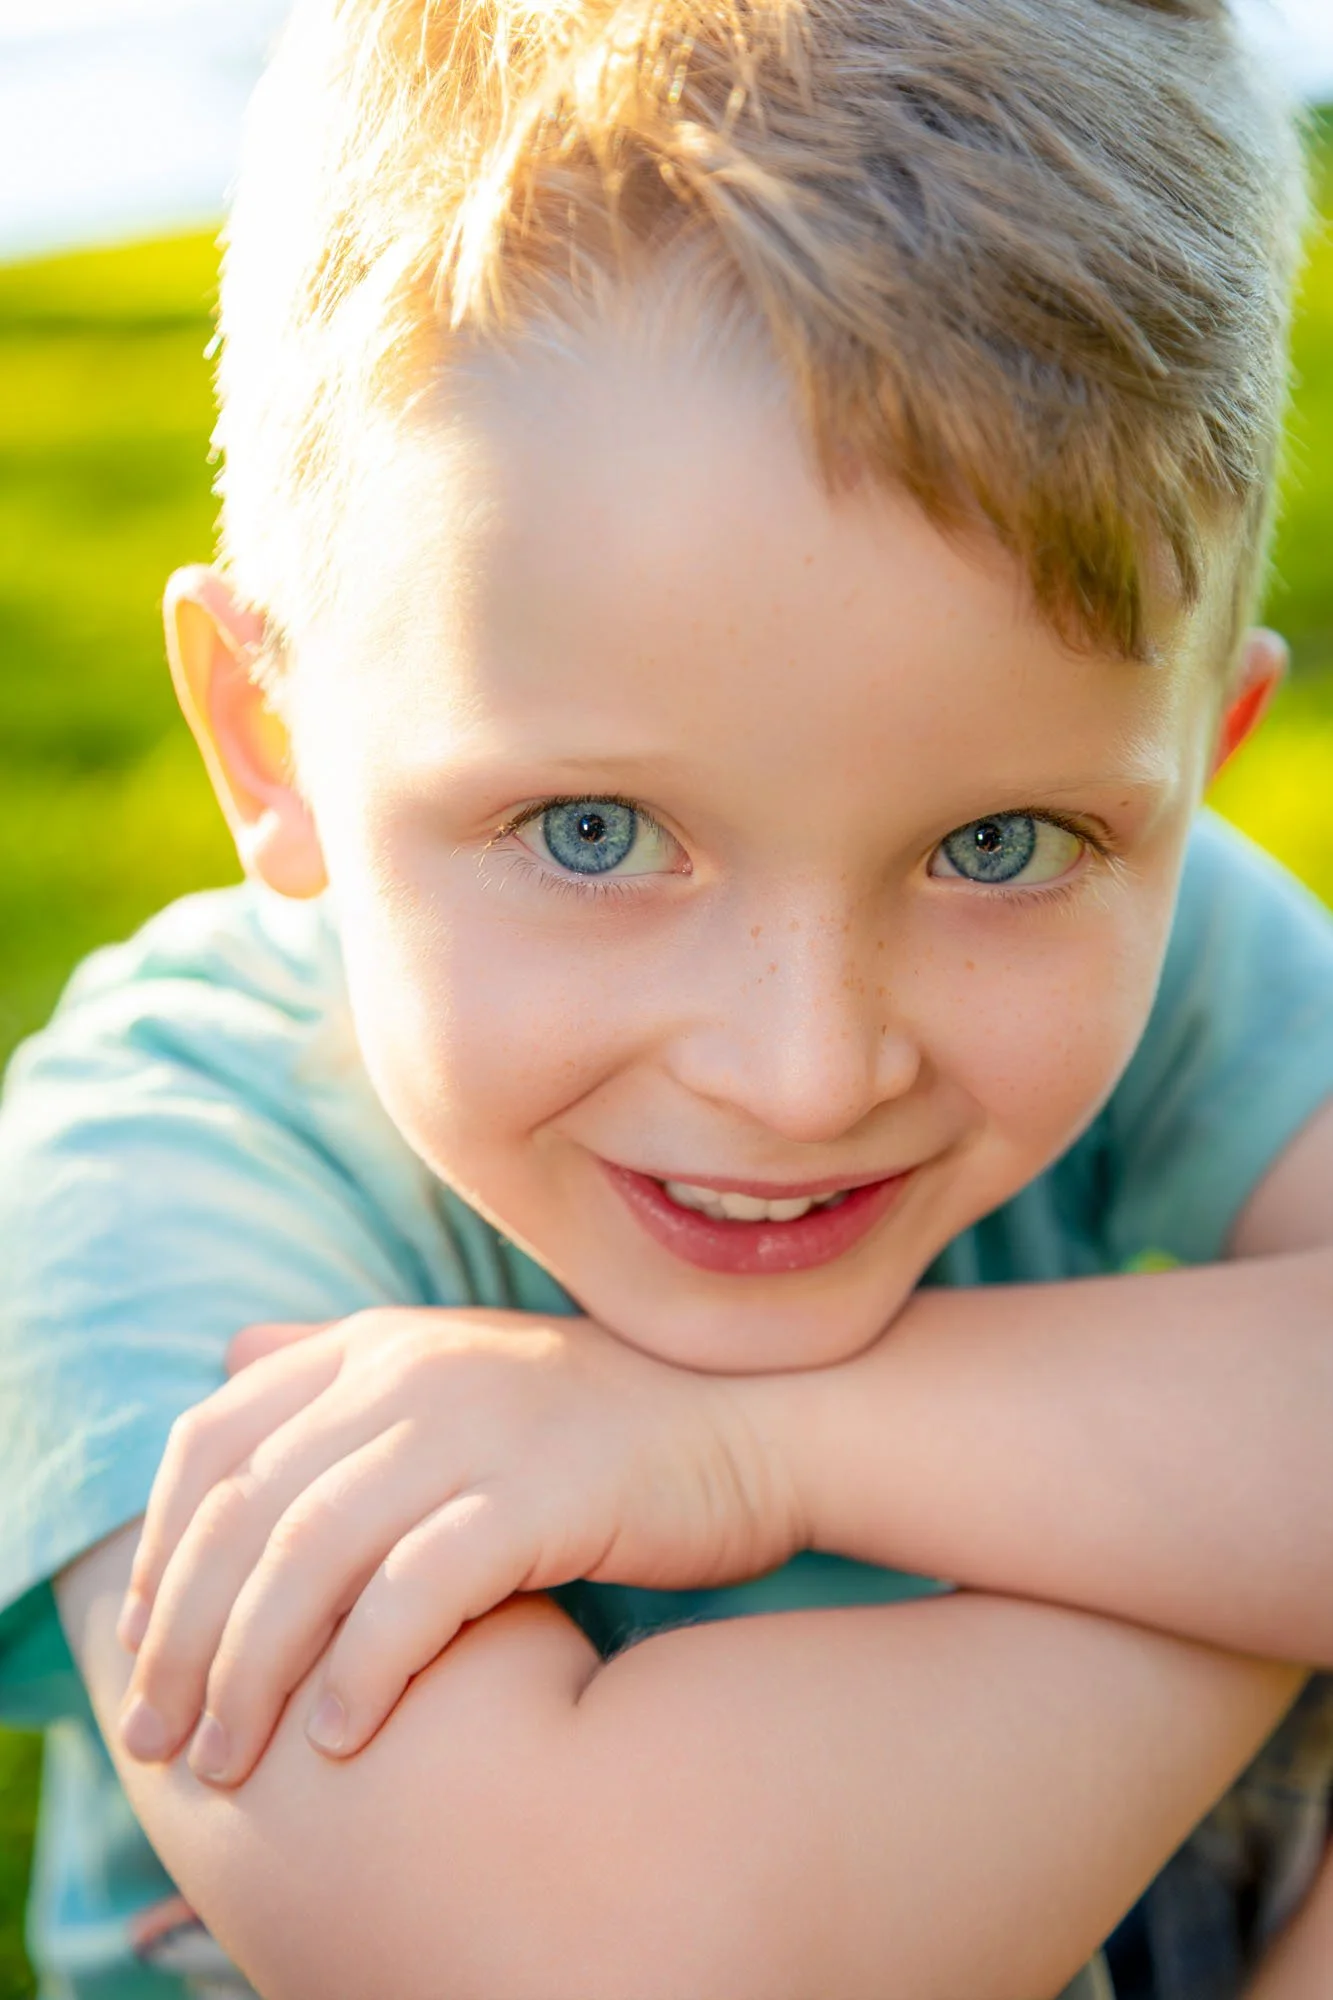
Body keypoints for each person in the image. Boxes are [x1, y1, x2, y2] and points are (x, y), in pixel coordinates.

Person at [2, 0, 1332, 1993]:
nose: (806, 1074)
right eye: (598, 834)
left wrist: (731, 1445)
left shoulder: (1166, 913)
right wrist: (1260, 1550)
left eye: (997, 849)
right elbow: (617, 1953)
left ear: (1196, 762)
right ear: (266, 738)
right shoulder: (148, 1179)